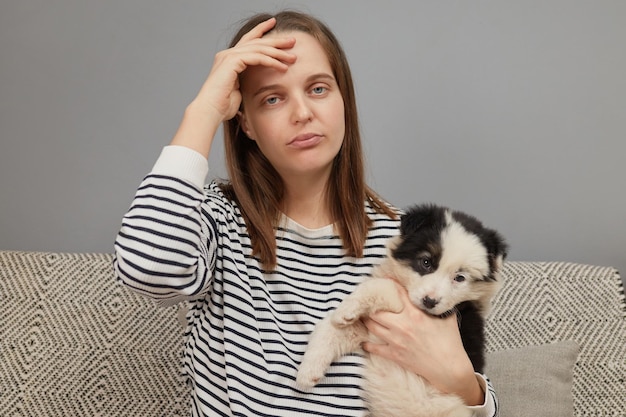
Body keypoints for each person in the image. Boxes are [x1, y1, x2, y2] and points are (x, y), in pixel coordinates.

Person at [113, 11, 498, 417]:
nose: (302, 113)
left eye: (318, 89)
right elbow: (147, 268)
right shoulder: (214, 221)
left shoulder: (407, 244)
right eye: (272, 98)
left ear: (343, 100)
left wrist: (464, 383)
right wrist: (203, 109)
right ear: (245, 121)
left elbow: (455, 388)